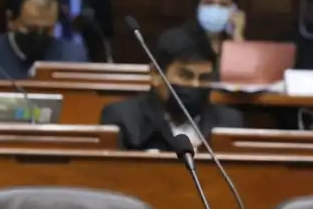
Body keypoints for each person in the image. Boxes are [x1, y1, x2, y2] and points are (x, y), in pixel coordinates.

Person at [100, 27, 244, 151]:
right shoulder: (123, 119)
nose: (195, 85)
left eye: (204, 78)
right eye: (185, 76)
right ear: (156, 75)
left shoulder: (229, 122)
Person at [0, 0, 88, 79]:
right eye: (31, 29)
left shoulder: (73, 59)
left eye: (47, 30)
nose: (39, 35)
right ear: (11, 19)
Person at [167, 0, 246, 64]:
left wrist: (237, 35)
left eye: (223, 4)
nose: (216, 9)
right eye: (209, 3)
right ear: (198, 7)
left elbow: (244, 68)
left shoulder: (230, 40)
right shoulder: (176, 39)